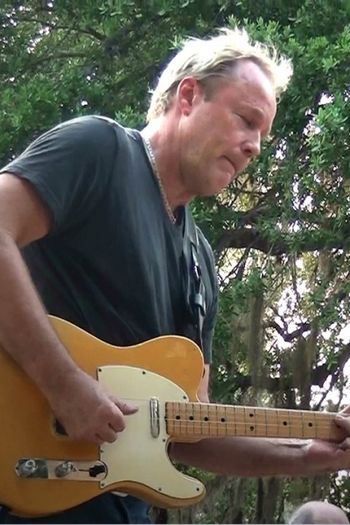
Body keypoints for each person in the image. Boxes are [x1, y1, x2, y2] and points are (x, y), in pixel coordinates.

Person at [1, 26, 350, 524]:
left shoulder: (200, 262)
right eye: (245, 120)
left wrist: (308, 453)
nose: (254, 147)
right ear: (188, 96)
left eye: (262, 136)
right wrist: (63, 385)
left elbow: (189, 432)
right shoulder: (99, 150)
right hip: (25, 485)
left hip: (118, 508)